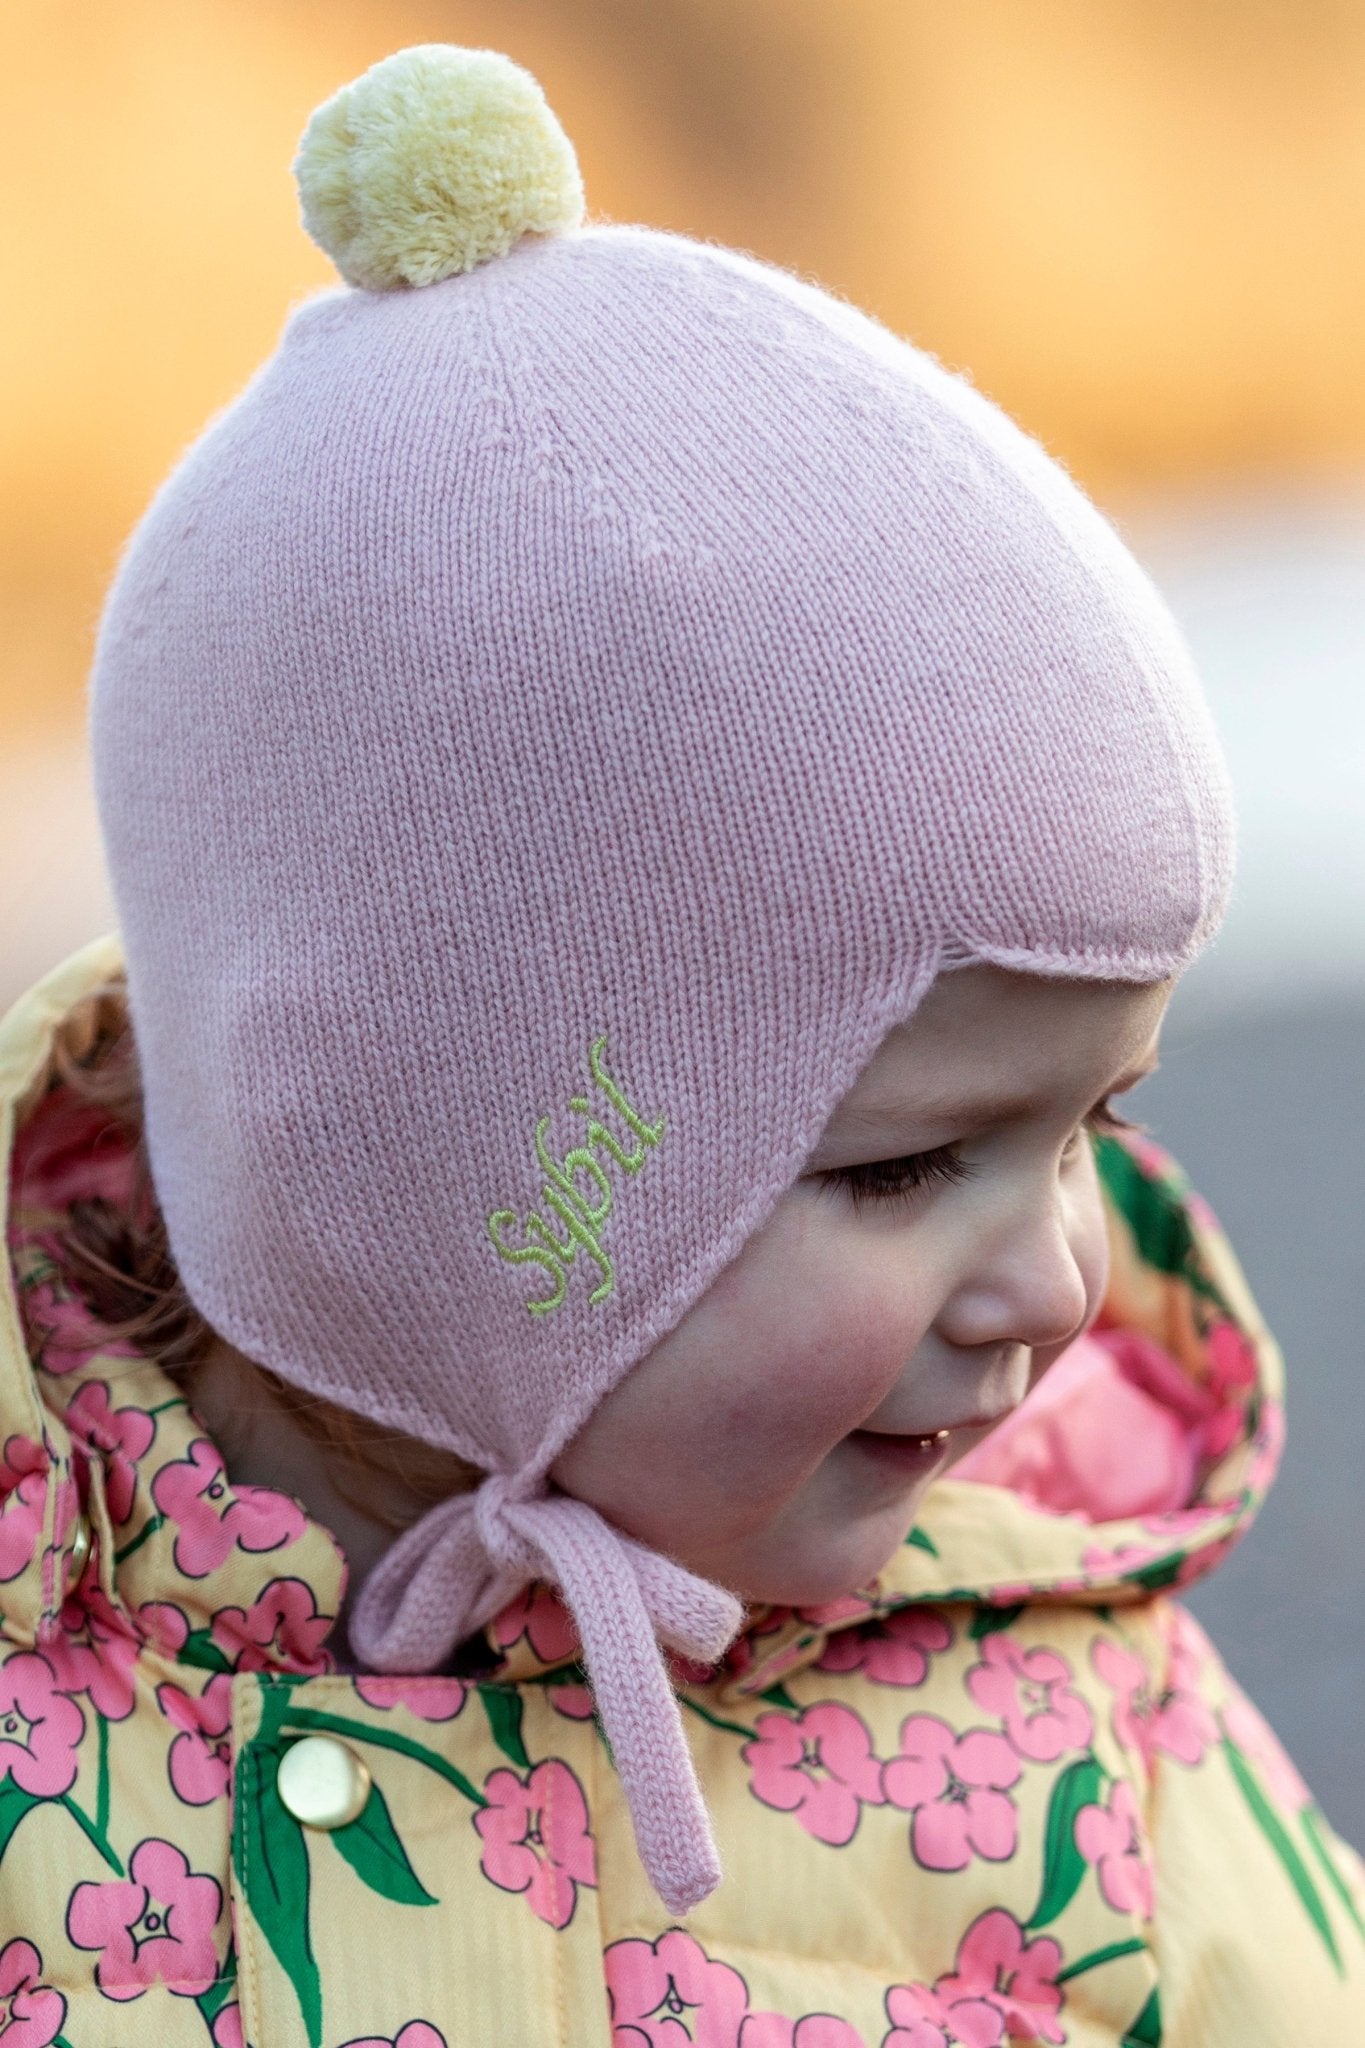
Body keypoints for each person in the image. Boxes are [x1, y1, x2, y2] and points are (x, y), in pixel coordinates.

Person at [1, 41, 1360, 2048]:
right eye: (905, 1164)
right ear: (425, 1180)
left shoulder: (1078, 1738)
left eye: (1088, 1122)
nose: (1058, 1277)